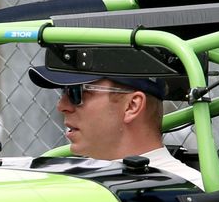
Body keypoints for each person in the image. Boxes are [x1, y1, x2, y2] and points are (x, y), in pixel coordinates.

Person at [27, 65, 205, 187]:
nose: (61, 106)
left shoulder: (186, 188)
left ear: (132, 106)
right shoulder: (64, 180)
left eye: (78, 91)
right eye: (63, 91)